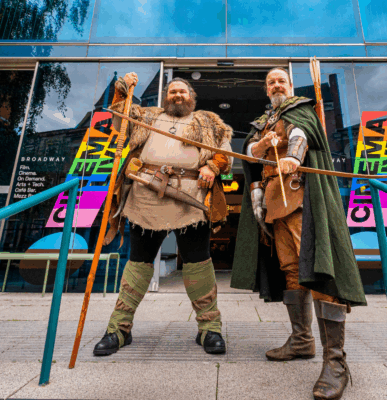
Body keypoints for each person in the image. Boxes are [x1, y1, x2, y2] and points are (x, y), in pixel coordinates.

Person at [231, 68, 366, 400]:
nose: (277, 85)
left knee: (319, 269)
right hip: (275, 203)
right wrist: (262, 144)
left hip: (303, 197)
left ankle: (335, 362)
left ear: (290, 86)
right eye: (271, 82)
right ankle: (302, 341)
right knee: (292, 271)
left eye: (282, 81)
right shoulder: (263, 121)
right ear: (266, 90)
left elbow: (301, 135)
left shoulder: (300, 109)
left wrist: (292, 156)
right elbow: (250, 156)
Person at [93, 73, 233, 356]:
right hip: (145, 197)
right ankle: (119, 328)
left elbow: (225, 155)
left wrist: (212, 167)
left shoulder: (207, 121)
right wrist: (122, 92)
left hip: (191, 200)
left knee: (198, 263)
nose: (177, 95)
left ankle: (209, 328)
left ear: (191, 97)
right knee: (138, 263)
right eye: (172, 91)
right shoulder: (148, 116)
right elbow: (119, 123)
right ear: (165, 97)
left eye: (182, 91)